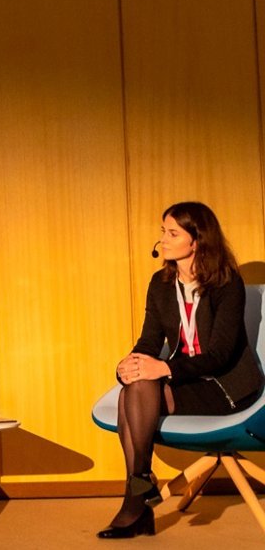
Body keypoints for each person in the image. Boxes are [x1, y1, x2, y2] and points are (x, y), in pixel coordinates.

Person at [100, 202, 263, 539]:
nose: (163, 239)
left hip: (226, 386)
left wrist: (163, 367)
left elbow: (220, 355)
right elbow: (149, 341)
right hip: (187, 378)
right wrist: (128, 365)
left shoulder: (227, 283)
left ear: (197, 240)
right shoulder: (161, 283)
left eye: (173, 233)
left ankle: (136, 503)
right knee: (135, 387)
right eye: (163, 231)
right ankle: (140, 484)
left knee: (141, 389)